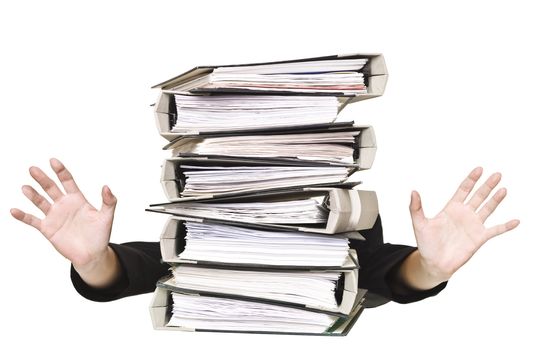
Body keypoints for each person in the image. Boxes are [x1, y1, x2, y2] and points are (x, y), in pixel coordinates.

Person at [10, 158, 519, 308]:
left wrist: (430, 268)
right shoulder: (203, 245)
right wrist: (90, 261)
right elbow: (140, 267)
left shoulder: (349, 239)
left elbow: (384, 272)